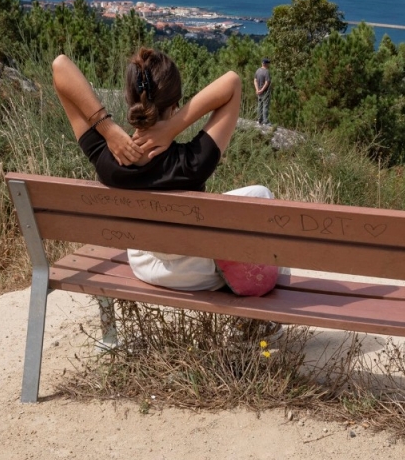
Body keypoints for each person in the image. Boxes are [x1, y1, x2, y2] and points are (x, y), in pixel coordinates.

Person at [52, 48, 278, 295]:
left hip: (143, 265)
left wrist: (106, 127)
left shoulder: (106, 160)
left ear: (130, 101)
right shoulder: (192, 162)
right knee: (261, 194)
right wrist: (173, 126)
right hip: (195, 273)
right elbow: (232, 82)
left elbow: (60, 66)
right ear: (175, 106)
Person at [253, 57, 271, 126]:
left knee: (259, 105)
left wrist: (257, 89)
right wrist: (262, 90)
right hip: (265, 92)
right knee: (265, 106)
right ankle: (265, 121)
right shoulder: (266, 72)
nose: (269, 64)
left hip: (259, 91)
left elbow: (255, 80)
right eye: (268, 63)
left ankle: (259, 120)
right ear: (266, 64)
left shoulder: (258, 70)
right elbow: (267, 82)